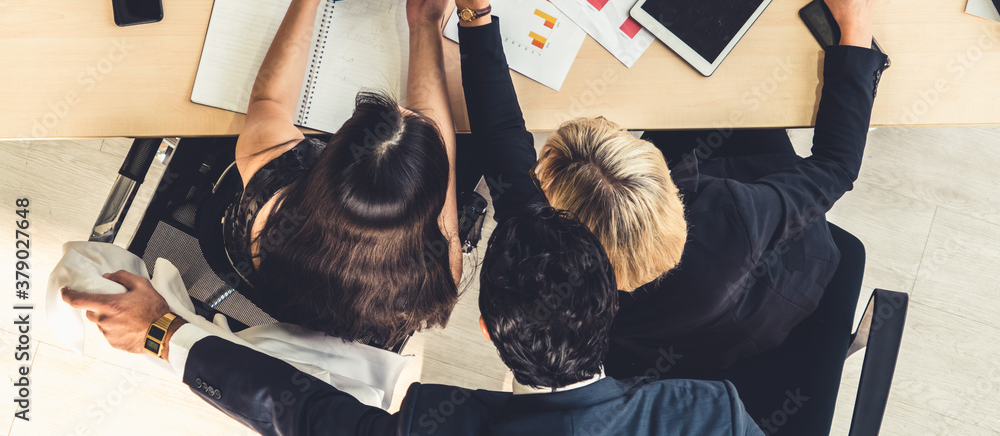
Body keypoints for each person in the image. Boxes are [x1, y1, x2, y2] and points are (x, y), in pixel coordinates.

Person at [426, 0, 889, 377]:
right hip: (758, 304)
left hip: (655, 333)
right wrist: (855, 29)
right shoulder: (734, 219)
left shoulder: (544, 258)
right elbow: (835, 166)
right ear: (670, 188)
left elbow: (502, 137)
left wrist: (475, 8)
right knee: (727, 91)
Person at [62, 204, 764, 436]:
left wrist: (163, 330)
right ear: (612, 300)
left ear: (485, 330)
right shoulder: (713, 411)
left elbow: (300, 410)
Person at [218, 0, 463, 349]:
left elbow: (269, 99)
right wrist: (426, 23)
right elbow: (443, 152)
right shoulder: (440, 269)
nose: (410, 110)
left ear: (325, 157)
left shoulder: (272, 197)